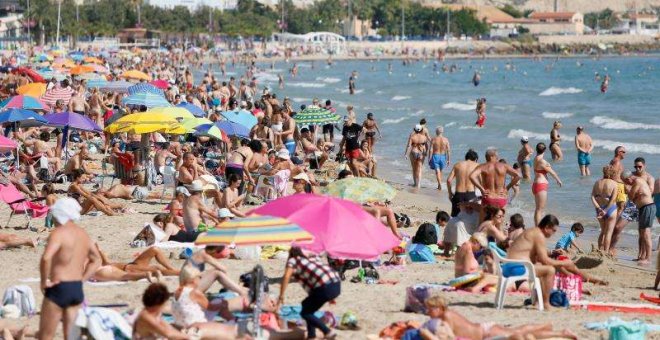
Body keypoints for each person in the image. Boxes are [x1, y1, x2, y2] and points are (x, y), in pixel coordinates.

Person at [39, 198, 102, 340]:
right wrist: (82, 279)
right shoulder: (83, 234)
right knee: (71, 337)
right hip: (76, 288)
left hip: (59, 287)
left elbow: (46, 258)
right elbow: (97, 259)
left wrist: (44, 282)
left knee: (46, 335)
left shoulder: (58, 233)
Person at [419, 294, 576, 340]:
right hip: (485, 330)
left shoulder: (446, 316)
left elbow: (450, 337)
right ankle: (544, 326)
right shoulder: (447, 314)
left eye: (430, 309)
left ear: (439, 308)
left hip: (486, 333)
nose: (428, 312)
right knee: (517, 331)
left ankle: (561, 333)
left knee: (518, 333)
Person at [277, 247, 340, 340]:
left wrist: (281, 296)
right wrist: (331, 297)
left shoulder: (293, 260)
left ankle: (327, 331)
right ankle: (311, 335)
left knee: (306, 312)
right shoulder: (312, 257)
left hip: (325, 287)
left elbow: (286, 276)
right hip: (336, 283)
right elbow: (322, 272)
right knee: (307, 306)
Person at [172, 266, 238, 338]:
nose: (200, 280)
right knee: (218, 302)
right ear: (193, 279)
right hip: (197, 325)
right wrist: (223, 303)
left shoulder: (176, 292)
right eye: (199, 277)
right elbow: (211, 307)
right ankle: (232, 321)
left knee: (215, 303)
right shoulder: (194, 293)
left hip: (181, 324)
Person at [621, 171, 656, 265]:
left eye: (625, 182)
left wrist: (630, 192)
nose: (626, 184)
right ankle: (643, 256)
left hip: (647, 207)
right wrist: (634, 195)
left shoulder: (637, 181)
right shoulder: (637, 182)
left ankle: (648, 259)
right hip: (643, 208)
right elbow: (633, 197)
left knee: (646, 233)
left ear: (628, 179)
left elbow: (631, 196)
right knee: (642, 233)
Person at [532, 143, 562, 226]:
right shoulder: (542, 161)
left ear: (536, 149)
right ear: (545, 150)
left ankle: (537, 226)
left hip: (536, 184)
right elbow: (552, 172)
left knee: (538, 209)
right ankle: (538, 228)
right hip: (541, 185)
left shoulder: (535, 158)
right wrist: (558, 180)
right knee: (539, 209)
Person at [591, 165, 618, 254]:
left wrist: (598, 208)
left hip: (599, 209)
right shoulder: (614, 184)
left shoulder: (597, 182)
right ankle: (606, 252)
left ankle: (600, 250)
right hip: (610, 209)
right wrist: (606, 210)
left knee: (603, 231)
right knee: (608, 233)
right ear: (613, 174)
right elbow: (613, 199)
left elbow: (592, 197)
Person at [446, 149, 479, 217]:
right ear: (475, 159)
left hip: (458, 195)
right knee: (470, 218)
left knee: (455, 218)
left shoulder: (457, 165)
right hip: (470, 195)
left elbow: (449, 180)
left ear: (466, 158)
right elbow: (482, 182)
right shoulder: (477, 166)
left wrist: (450, 193)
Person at [405, 124, 429, 188]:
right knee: (420, 168)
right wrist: (426, 152)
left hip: (413, 152)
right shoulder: (424, 137)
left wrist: (406, 154)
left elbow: (409, 146)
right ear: (421, 130)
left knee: (414, 168)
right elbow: (426, 145)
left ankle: (415, 183)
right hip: (421, 153)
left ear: (414, 130)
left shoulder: (412, 137)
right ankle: (418, 184)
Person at [429, 126, 450, 191]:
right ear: (442, 132)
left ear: (436, 132)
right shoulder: (446, 140)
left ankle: (440, 184)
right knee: (440, 171)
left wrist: (429, 158)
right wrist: (448, 159)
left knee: (437, 171)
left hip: (436, 156)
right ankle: (439, 185)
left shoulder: (434, 139)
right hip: (443, 157)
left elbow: (431, 150)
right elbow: (448, 150)